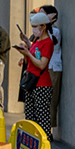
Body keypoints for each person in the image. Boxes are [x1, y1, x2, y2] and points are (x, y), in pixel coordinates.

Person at [14, 11, 54, 141]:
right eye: (33, 26)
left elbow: (42, 64)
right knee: (30, 114)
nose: (34, 29)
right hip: (31, 82)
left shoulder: (48, 43)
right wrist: (26, 44)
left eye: (36, 27)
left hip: (42, 84)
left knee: (42, 116)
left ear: (44, 27)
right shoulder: (36, 40)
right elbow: (33, 56)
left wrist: (27, 53)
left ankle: (44, 144)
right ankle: (32, 142)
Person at [40, 5, 62, 130]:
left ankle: (49, 128)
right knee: (45, 99)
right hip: (45, 67)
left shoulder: (55, 31)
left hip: (53, 67)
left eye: (44, 14)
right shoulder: (43, 31)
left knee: (51, 99)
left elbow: (51, 41)